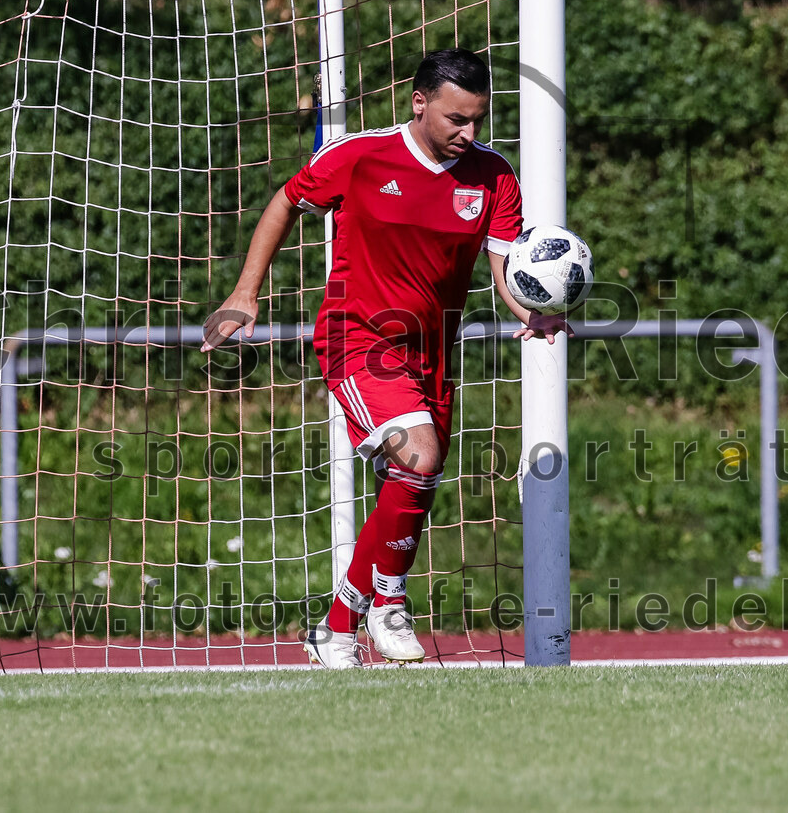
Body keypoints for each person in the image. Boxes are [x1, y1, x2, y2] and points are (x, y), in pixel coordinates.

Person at [201, 48, 568, 668]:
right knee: (420, 454)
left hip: (432, 352)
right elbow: (287, 201)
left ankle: (359, 612)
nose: (467, 133)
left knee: (416, 480)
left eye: (477, 119)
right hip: (358, 339)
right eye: (456, 118)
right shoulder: (361, 156)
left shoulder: (495, 176)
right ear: (419, 102)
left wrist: (531, 311)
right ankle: (369, 609)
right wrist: (245, 293)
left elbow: (503, 269)